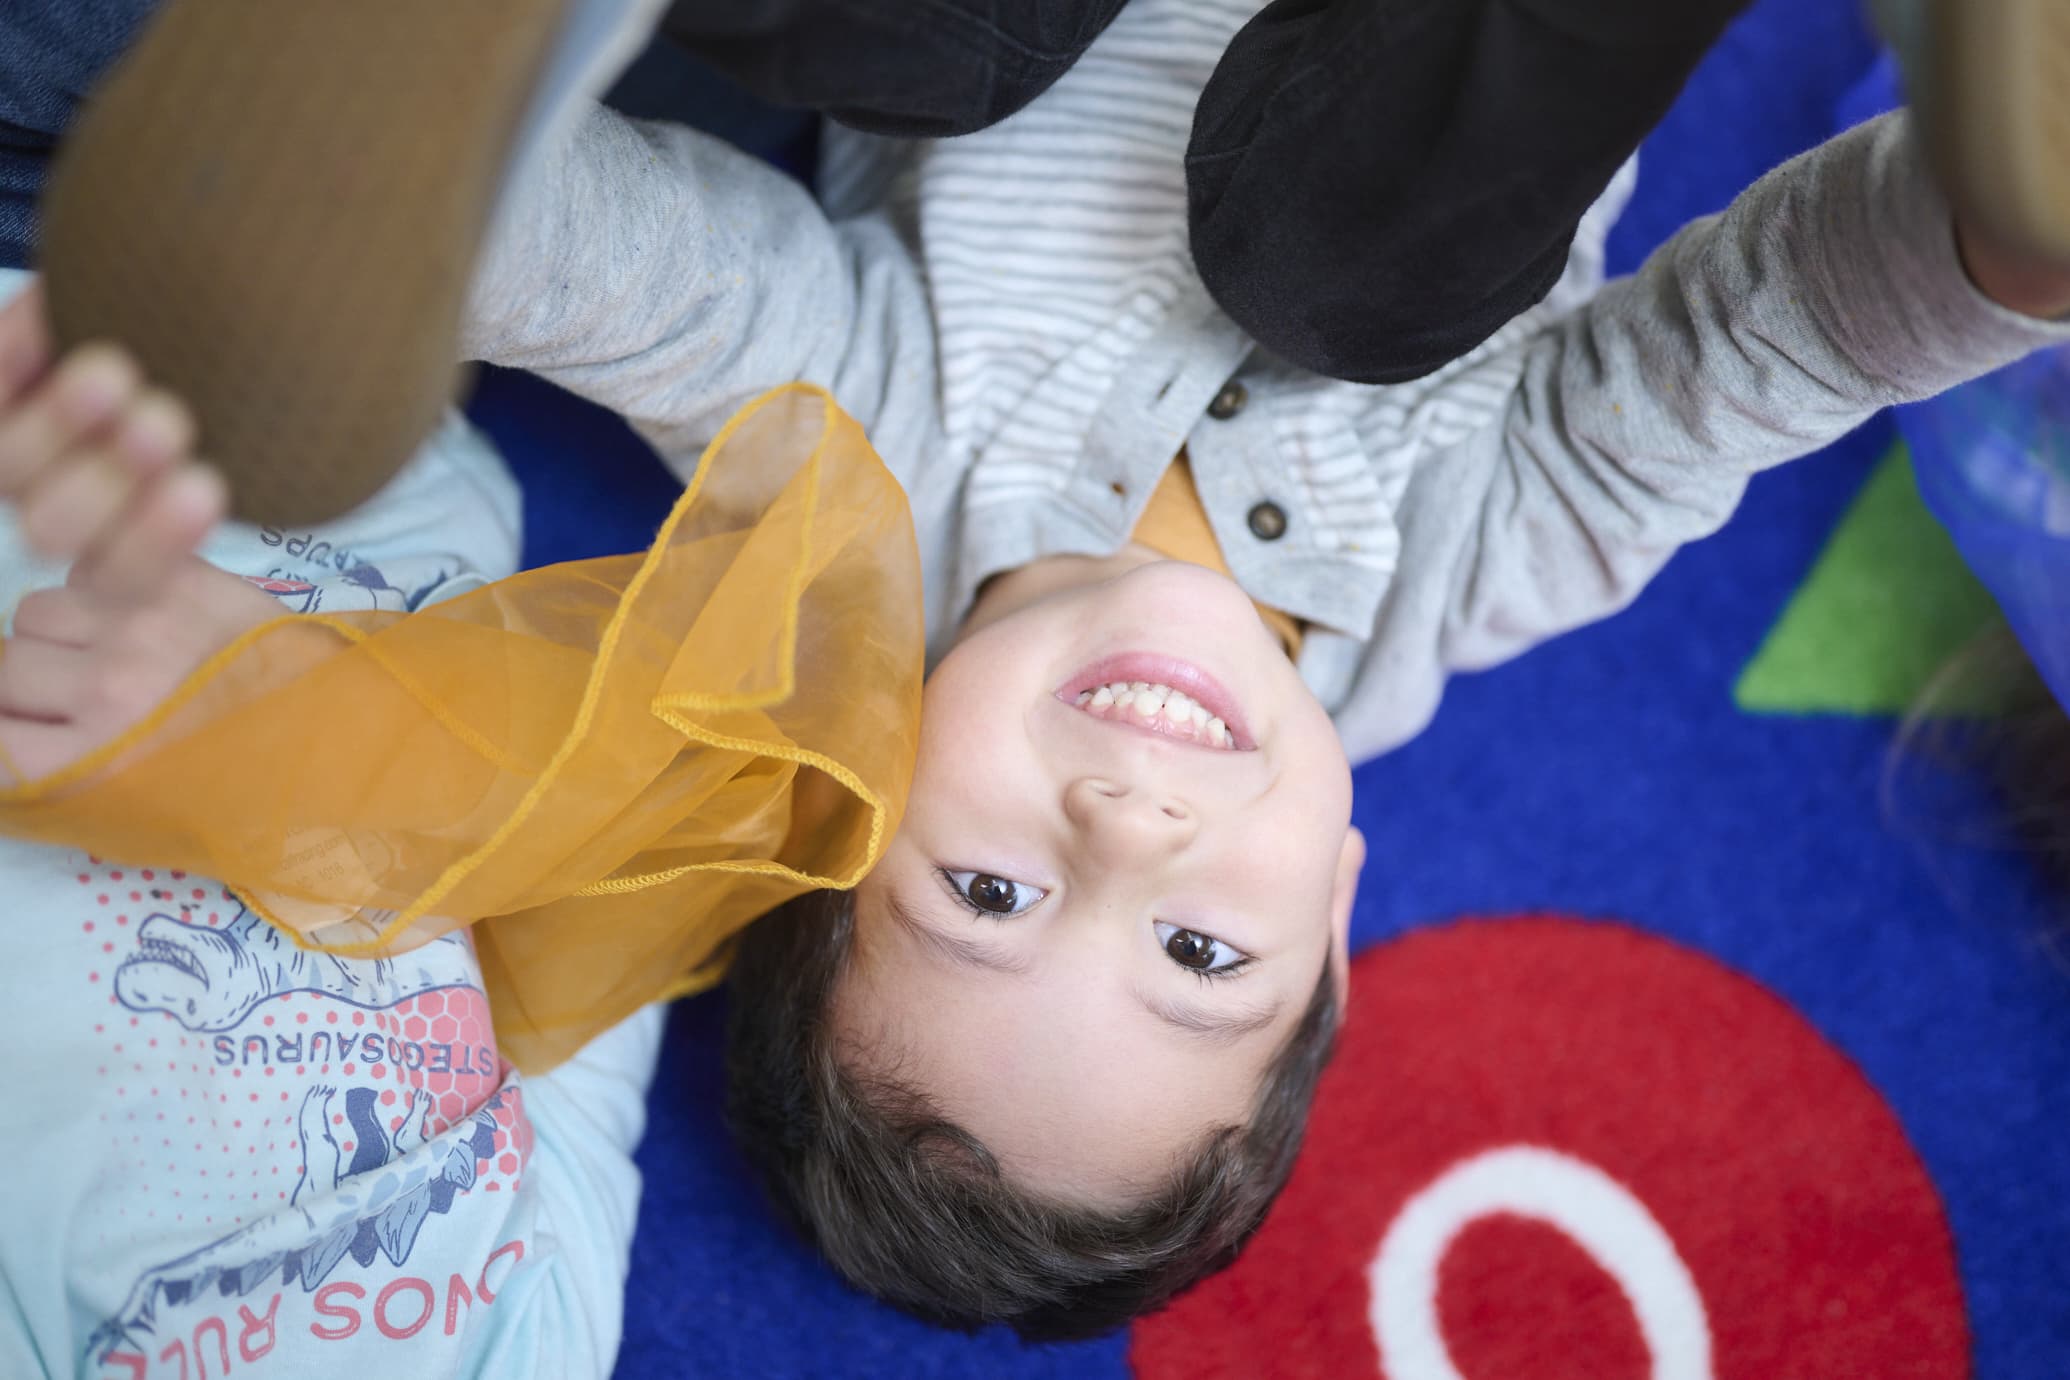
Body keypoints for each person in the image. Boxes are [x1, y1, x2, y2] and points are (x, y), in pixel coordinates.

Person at [10, 0, 2070, 1354]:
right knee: (1368, 258)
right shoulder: (1475, 564)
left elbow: (647, 272)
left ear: (848, 790)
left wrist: (428, 202)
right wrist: (1993, 254)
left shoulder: (867, 495)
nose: (1127, 827)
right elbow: (1752, 350)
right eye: (1201, 953)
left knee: (913, 46)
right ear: (1340, 915)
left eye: (985, 899)